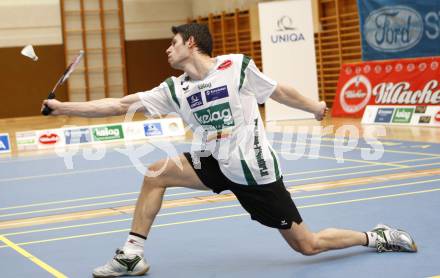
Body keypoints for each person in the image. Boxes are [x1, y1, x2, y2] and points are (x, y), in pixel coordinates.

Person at [42, 23, 417, 278]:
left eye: (172, 42)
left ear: (191, 43)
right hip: (211, 162)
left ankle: (377, 236)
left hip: (255, 173)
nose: (166, 49)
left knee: (308, 245)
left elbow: (280, 91)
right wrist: (64, 108)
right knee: (156, 171)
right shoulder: (176, 88)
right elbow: (119, 104)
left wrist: (314, 107)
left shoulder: (235, 67)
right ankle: (132, 254)